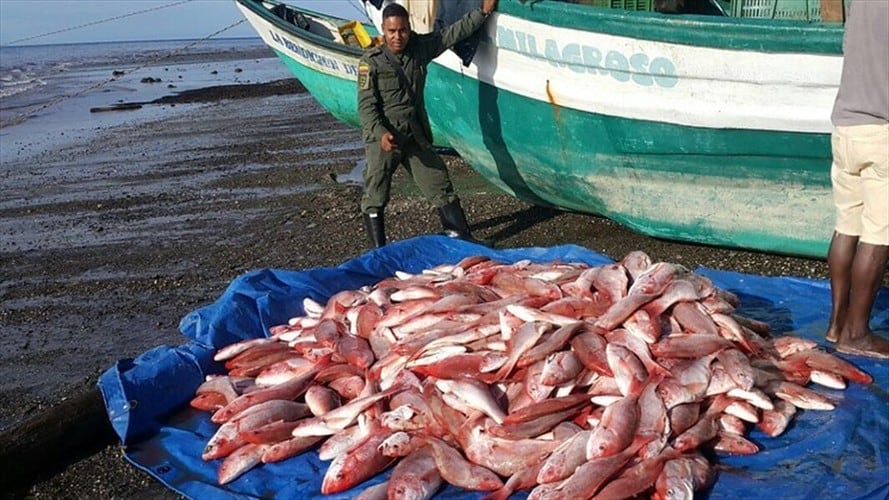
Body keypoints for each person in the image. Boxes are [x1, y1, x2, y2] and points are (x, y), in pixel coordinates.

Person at [357, 0, 497, 248]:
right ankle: (378, 251)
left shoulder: (420, 47)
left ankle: (461, 238)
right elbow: (367, 108)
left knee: (438, 183)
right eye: (392, 31)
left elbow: (452, 33)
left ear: (409, 29)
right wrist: (380, 134)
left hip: (414, 134)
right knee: (376, 194)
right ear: (383, 30)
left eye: (402, 30)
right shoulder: (372, 63)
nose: (397, 36)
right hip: (385, 138)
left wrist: (482, 12)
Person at [824, 0, 889, 359]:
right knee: (880, 235)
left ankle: (835, 324)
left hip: (845, 126)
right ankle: (857, 332)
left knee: (847, 225)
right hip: (883, 130)